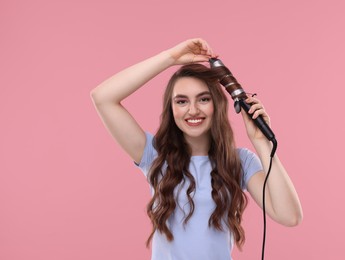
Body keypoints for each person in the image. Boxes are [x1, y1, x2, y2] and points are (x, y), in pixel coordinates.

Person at [90, 38, 303, 260]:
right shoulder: (155, 156)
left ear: (217, 105)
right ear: (171, 109)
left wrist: (261, 142)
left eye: (203, 99)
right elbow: (103, 97)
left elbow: (290, 216)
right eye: (181, 101)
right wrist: (170, 58)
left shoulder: (239, 162)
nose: (192, 110)